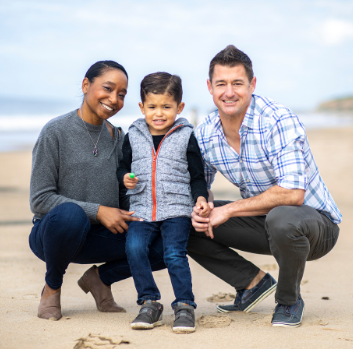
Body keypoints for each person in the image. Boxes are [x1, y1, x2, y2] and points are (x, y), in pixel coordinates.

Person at [187, 45, 342, 327]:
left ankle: (289, 300)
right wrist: (201, 203)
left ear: (252, 84)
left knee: (281, 216)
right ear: (210, 87)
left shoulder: (277, 120)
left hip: (315, 226)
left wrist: (229, 210)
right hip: (263, 221)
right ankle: (251, 283)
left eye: (237, 83)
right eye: (221, 84)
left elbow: (293, 194)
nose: (229, 92)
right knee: (188, 223)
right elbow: (201, 183)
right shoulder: (206, 133)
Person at [29, 60, 166, 321]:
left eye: (122, 95)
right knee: (70, 215)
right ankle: (52, 288)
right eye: (108, 88)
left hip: (102, 237)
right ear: (85, 85)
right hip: (54, 234)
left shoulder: (118, 137)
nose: (114, 99)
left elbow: (124, 196)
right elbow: (40, 199)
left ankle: (101, 279)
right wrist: (99, 211)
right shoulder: (55, 132)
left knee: (168, 241)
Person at [117, 72, 210, 333]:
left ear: (179, 107)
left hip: (177, 209)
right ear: (142, 107)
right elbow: (123, 167)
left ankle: (184, 305)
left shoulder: (185, 135)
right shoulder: (133, 135)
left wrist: (200, 198)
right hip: (142, 209)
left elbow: (197, 175)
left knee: (174, 254)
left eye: (167, 107)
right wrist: (124, 178)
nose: (159, 113)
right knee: (134, 249)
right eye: (152, 107)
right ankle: (149, 302)